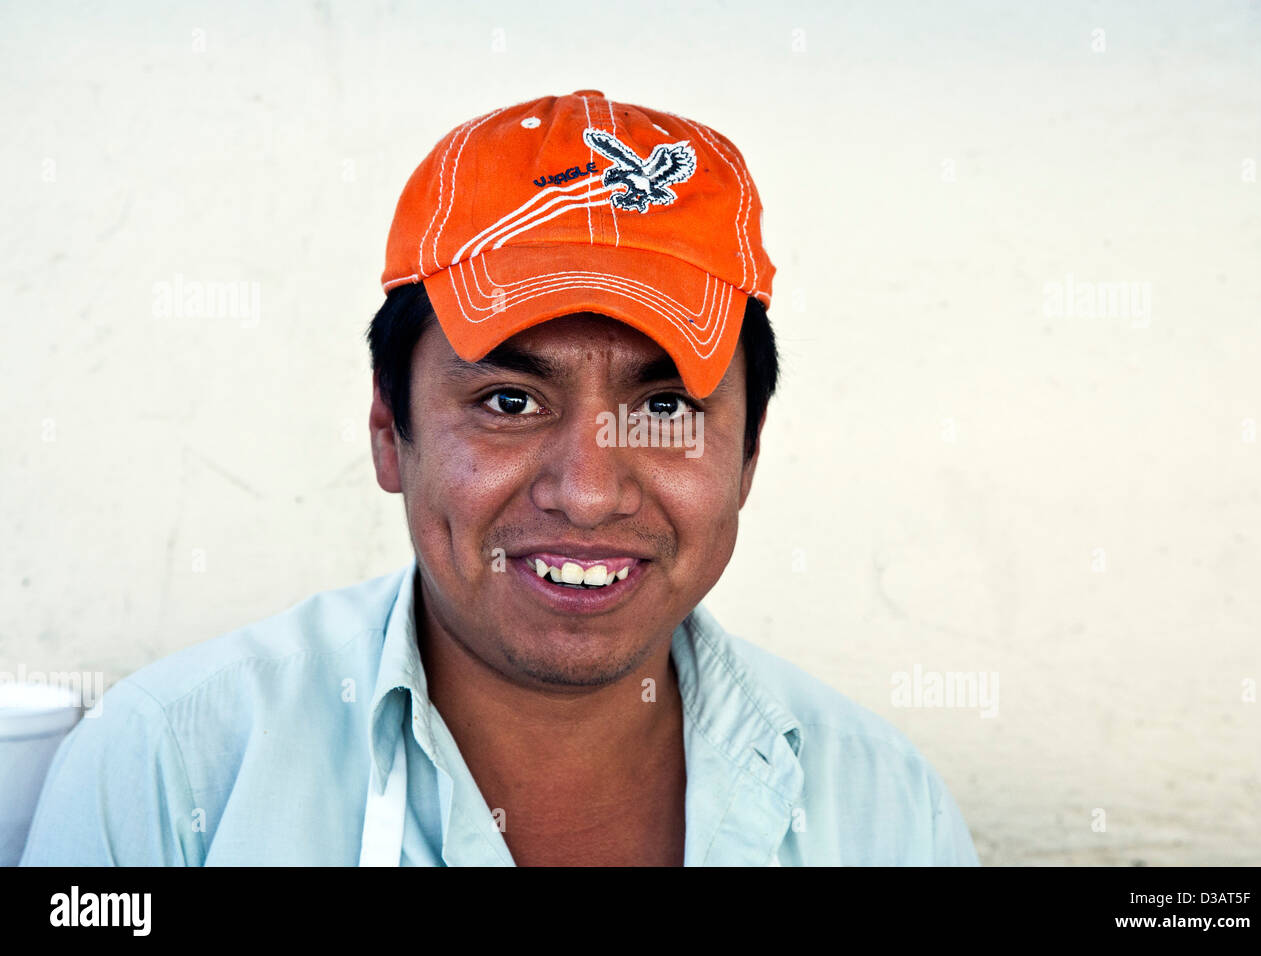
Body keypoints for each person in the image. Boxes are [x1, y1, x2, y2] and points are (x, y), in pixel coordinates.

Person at [21, 90, 979, 866]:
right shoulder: (168, 772)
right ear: (390, 433)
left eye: (666, 408)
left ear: (748, 457)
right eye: (511, 402)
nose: (590, 491)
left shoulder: (882, 809)